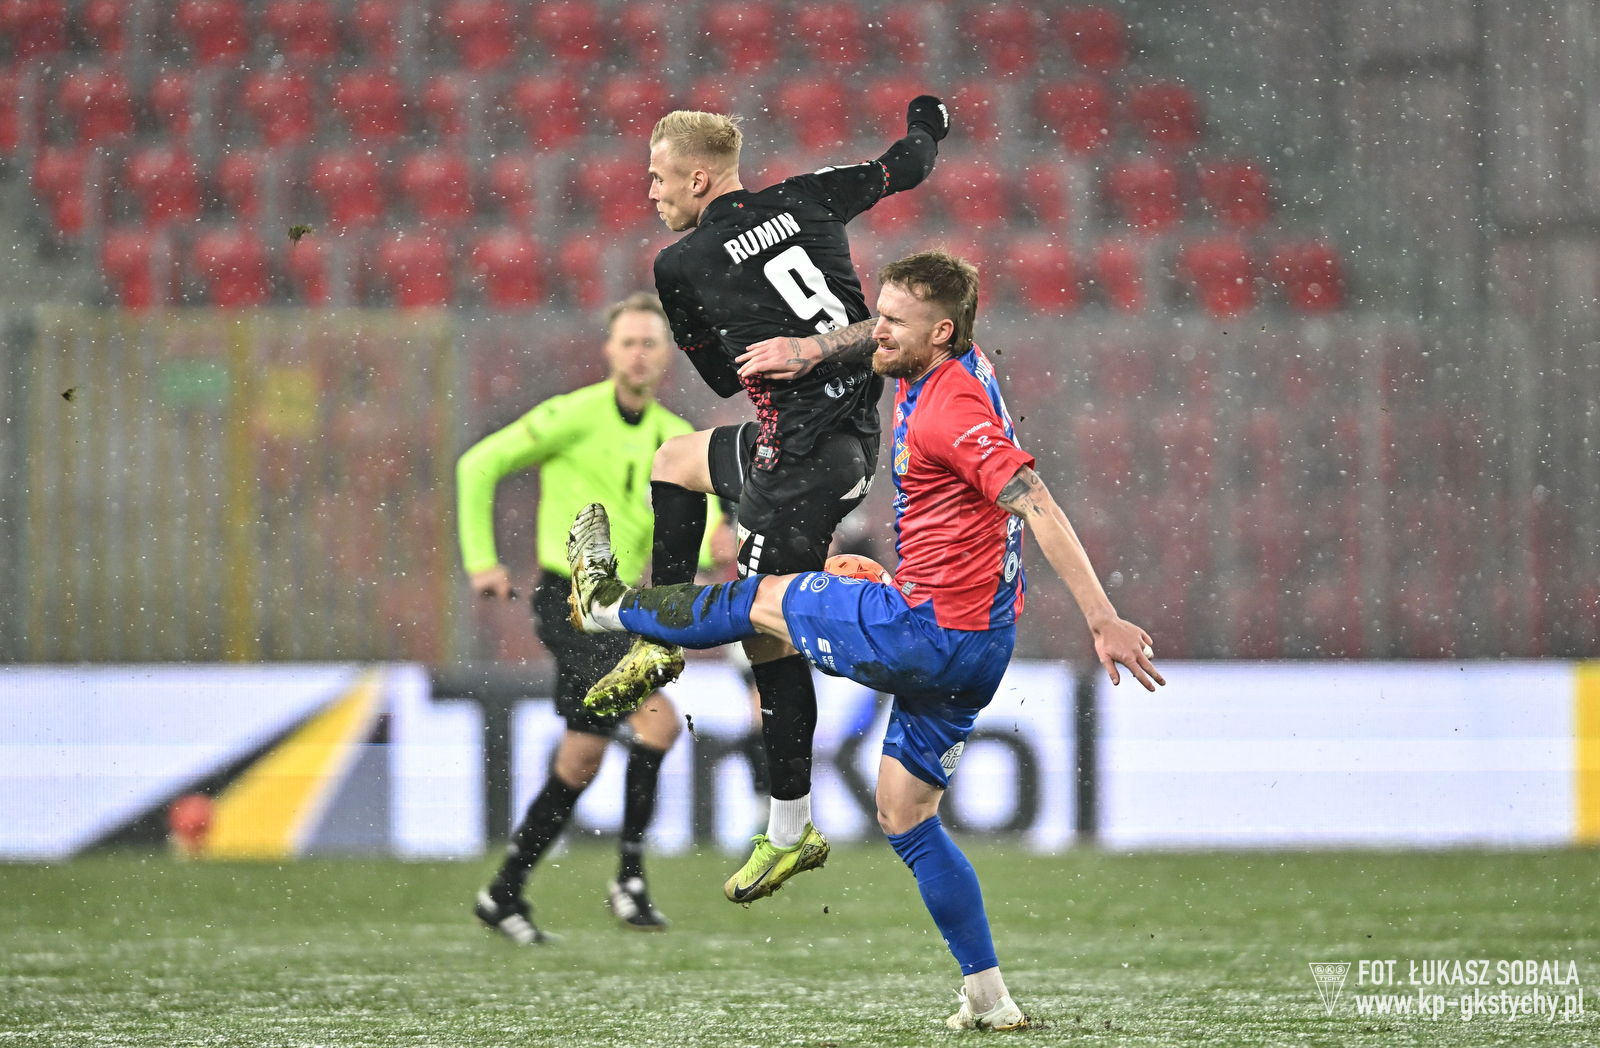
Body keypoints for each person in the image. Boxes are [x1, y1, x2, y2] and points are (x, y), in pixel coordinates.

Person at [564, 251, 1164, 1029]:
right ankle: (990, 999)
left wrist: (1102, 617)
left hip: (923, 633)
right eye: (877, 313)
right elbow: (878, 355)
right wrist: (809, 348)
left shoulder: (950, 410)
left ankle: (609, 607)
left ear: (940, 332)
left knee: (759, 600)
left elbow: (1035, 501)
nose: (875, 331)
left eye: (893, 322)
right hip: (981, 642)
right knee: (906, 815)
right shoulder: (955, 362)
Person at [587, 99, 951, 905]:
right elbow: (910, 163)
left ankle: (791, 829)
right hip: (843, 441)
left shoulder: (680, 264)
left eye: (658, 177)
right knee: (675, 461)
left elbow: (723, 377)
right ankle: (660, 637)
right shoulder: (808, 194)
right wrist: (930, 119)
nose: (651, 192)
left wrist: (766, 329)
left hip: (800, 467)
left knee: (765, 632)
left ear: (698, 178)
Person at [455, 292, 725, 942]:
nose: (639, 353)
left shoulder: (672, 436)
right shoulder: (573, 415)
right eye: (628, 341)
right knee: (659, 724)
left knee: (580, 761)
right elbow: (478, 464)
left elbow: (701, 522)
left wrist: (719, 543)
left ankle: (503, 893)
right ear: (609, 350)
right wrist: (482, 561)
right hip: (571, 601)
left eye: (650, 343)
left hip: (619, 608)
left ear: (666, 355)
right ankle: (629, 879)